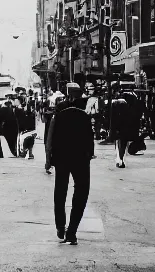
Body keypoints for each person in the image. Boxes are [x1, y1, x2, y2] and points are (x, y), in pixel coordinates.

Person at [45, 86, 94, 245]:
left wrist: (48, 159)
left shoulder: (59, 114)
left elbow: (50, 138)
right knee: (81, 191)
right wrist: (88, 155)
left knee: (60, 191)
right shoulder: (84, 116)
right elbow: (90, 140)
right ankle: (72, 230)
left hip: (61, 157)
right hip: (80, 159)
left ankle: (60, 226)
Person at [110, 93, 140, 168]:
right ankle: (121, 159)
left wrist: (112, 129)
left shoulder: (115, 104)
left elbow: (112, 117)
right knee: (123, 144)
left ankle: (119, 159)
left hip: (118, 127)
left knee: (119, 143)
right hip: (126, 128)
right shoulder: (131, 106)